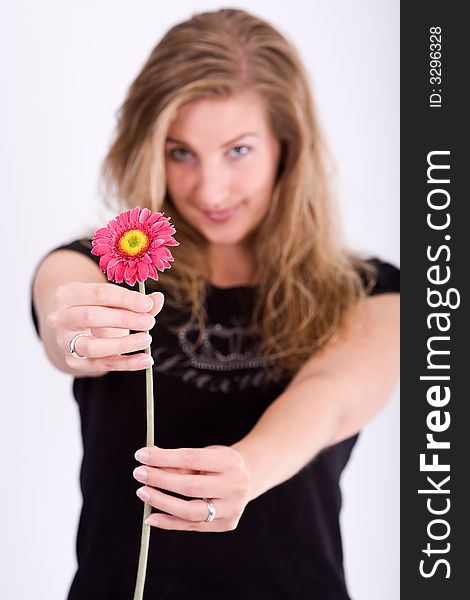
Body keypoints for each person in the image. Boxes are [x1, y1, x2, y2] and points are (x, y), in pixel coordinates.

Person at [31, 8, 399, 600]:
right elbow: (64, 320)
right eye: (181, 153)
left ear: (287, 146)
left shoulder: (375, 292)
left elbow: (329, 400)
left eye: (238, 150)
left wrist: (246, 470)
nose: (211, 190)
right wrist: (78, 333)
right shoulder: (94, 264)